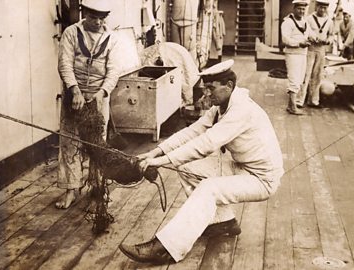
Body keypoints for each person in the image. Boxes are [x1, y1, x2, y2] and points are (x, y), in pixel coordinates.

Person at [118, 59, 284, 264]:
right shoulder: (221, 107)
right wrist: (155, 152)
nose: (207, 94)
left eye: (211, 88)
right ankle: (223, 223)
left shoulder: (241, 110)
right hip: (242, 167)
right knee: (186, 167)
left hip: (262, 179)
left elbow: (205, 144)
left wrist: (161, 161)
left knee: (209, 188)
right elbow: (192, 132)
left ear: (229, 86)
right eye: (205, 88)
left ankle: (166, 248)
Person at [56, 0, 122, 208]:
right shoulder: (71, 33)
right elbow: (64, 64)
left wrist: (102, 93)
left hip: (99, 95)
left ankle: (97, 186)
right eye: (93, 17)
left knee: (97, 143)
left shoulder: (111, 38)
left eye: (102, 18)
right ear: (85, 14)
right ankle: (71, 189)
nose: (98, 22)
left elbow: (113, 70)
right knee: (69, 141)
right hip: (74, 95)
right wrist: (74, 90)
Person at [296, 0, 333, 108]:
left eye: (324, 8)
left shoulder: (329, 21)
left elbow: (331, 35)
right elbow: (304, 32)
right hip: (310, 49)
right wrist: (311, 37)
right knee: (305, 74)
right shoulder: (308, 19)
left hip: (321, 50)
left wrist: (328, 41)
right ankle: (299, 100)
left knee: (317, 75)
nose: (322, 10)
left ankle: (313, 100)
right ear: (316, 6)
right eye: (320, 7)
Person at [281, 0, 311, 115]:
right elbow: (285, 39)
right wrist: (299, 44)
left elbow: (307, 34)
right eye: (299, 9)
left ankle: (290, 105)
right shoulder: (287, 22)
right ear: (294, 9)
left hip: (303, 54)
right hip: (293, 54)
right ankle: (293, 107)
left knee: (299, 79)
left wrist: (312, 39)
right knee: (293, 79)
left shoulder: (304, 22)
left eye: (303, 9)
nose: (301, 11)